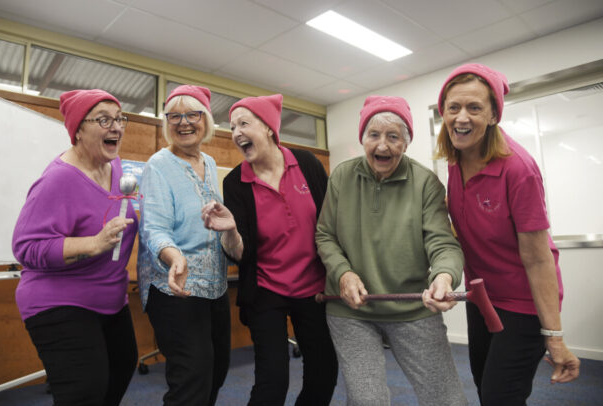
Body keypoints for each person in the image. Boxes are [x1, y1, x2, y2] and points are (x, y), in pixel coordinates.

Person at [435, 63, 580, 405]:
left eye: (474, 108)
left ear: (494, 115)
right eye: (453, 107)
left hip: (522, 303)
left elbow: (538, 257)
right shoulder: (455, 161)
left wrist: (554, 336)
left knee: (501, 397)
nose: (461, 117)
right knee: (486, 389)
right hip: (481, 297)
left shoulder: (518, 169)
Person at [315, 95, 468, 406]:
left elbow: (443, 242)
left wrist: (444, 276)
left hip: (411, 307)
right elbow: (325, 235)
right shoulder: (342, 177)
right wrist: (343, 274)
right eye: (374, 135)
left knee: (448, 399)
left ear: (406, 143)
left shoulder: (426, 183)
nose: (382, 146)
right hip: (351, 310)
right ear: (363, 138)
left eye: (393, 137)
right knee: (367, 400)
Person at [200, 94, 338, 406]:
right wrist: (232, 230)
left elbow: (332, 222)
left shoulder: (307, 165)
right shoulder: (236, 182)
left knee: (324, 372)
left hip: (314, 289)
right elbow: (239, 253)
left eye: (244, 124)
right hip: (266, 290)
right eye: (232, 126)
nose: (236, 132)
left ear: (268, 129)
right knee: (273, 381)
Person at [12, 89, 138, 406]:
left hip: (110, 299)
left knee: (121, 369)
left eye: (119, 118)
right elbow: (26, 247)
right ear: (78, 129)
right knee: (85, 390)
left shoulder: (117, 168)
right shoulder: (58, 179)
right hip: (59, 301)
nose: (117, 127)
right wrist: (93, 243)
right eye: (104, 119)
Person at [137, 85, 230, 406]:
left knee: (217, 371)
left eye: (193, 114)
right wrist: (174, 256)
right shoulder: (158, 165)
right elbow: (153, 227)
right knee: (192, 379)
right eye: (174, 116)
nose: (184, 122)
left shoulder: (211, 162)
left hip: (215, 288)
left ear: (206, 120)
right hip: (174, 288)